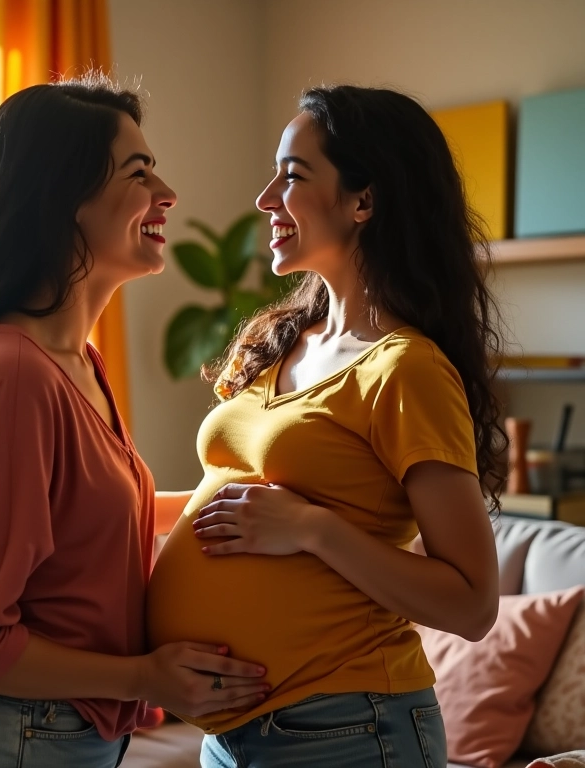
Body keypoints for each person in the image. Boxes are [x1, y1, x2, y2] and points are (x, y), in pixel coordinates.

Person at [0, 72, 269, 768]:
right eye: (139, 172)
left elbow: (88, 527)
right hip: (7, 743)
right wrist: (145, 675)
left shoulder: (76, 362)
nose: (167, 194)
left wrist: (276, 509)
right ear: (64, 199)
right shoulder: (14, 376)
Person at [147, 84, 506, 768]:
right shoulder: (279, 339)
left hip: (348, 726)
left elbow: (472, 603)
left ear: (363, 201)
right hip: (233, 738)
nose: (265, 200)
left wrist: (313, 528)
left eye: (292, 176)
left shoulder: (408, 370)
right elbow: (230, 505)